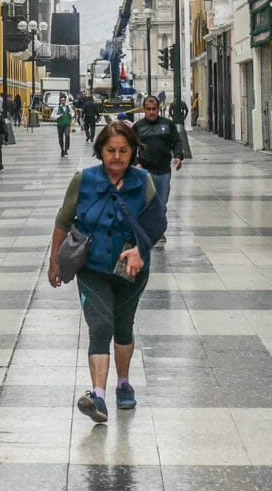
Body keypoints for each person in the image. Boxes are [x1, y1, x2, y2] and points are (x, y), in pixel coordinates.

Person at [49, 118, 164, 423]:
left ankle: (123, 384)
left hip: (131, 270)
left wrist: (141, 250)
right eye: (111, 150)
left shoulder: (144, 182)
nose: (117, 157)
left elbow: (157, 224)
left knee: (123, 327)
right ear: (100, 150)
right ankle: (97, 396)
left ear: (132, 152)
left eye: (123, 150)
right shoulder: (83, 180)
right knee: (100, 326)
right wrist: (55, 262)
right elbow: (63, 221)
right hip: (93, 268)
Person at [133, 95, 181, 240]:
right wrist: (136, 163)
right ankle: (146, 230)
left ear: (158, 109)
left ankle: (159, 231)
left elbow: (177, 141)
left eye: (154, 109)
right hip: (145, 170)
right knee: (146, 202)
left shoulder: (168, 124)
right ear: (144, 109)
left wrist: (178, 156)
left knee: (161, 203)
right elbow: (129, 147)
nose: (151, 112)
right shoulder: (138, 127)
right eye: (148, 109)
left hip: (163, 171)